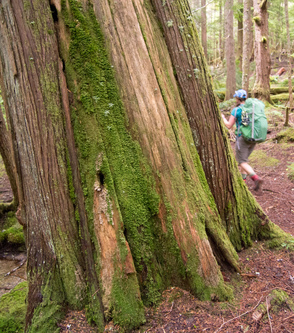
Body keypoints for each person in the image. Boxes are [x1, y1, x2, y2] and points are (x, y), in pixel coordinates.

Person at [221, 89, 263, 191]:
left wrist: (222, 117)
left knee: (242, 162)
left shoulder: (237, 110)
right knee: (244, 160)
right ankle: (243, 182)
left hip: (242, 138)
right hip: (253, 138)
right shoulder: (251, 108)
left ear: (238, 98)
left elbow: (229, 125)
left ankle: (255, 178)